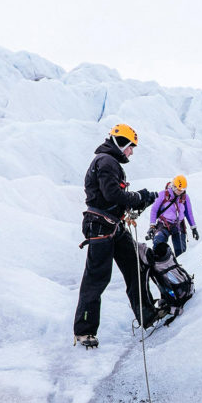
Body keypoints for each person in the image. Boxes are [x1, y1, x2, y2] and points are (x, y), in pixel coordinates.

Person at [73, 124, 163, 349]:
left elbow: (113, 195)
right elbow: (112, 193)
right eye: (130, 147)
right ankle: (84, 332)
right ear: (121, 143)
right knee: (97, 279)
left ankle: (148, 314)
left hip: (112, 226)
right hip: (101, 227)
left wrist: (139, 198)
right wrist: (138, 196)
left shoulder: (107, 161)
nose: (131, 152)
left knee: (135, 266)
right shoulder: (106, 161)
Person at [146, 174, 199, 257]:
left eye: (183, 190)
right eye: (179, 189)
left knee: (181, 251)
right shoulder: (163, 194)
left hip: (178, 225)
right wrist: (152, 226)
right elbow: (154, 210)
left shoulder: (185, 197)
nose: (181, 192)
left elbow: (189, 213)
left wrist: (194, 228)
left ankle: (180, 266)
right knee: (158, 243)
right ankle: (157, 264)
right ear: (174, 186)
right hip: (163, 224)